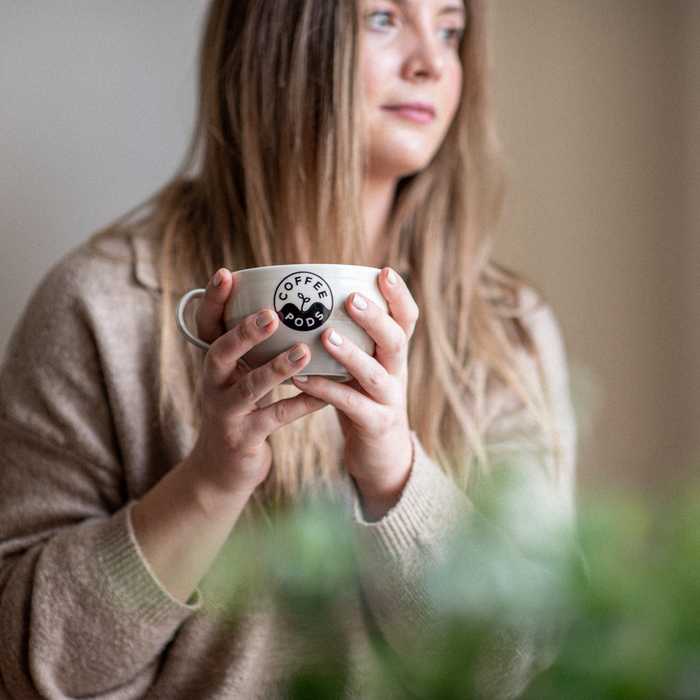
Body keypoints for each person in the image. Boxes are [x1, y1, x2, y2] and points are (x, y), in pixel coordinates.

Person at [0, 0, 584, 698]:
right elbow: (30, 665)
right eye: (384, 20)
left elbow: (529, 663)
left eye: (450, 28)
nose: (433, 62)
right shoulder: (103, 306)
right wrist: (210, 483)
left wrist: (397, 474)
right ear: (279, 39)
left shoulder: (504, 331)